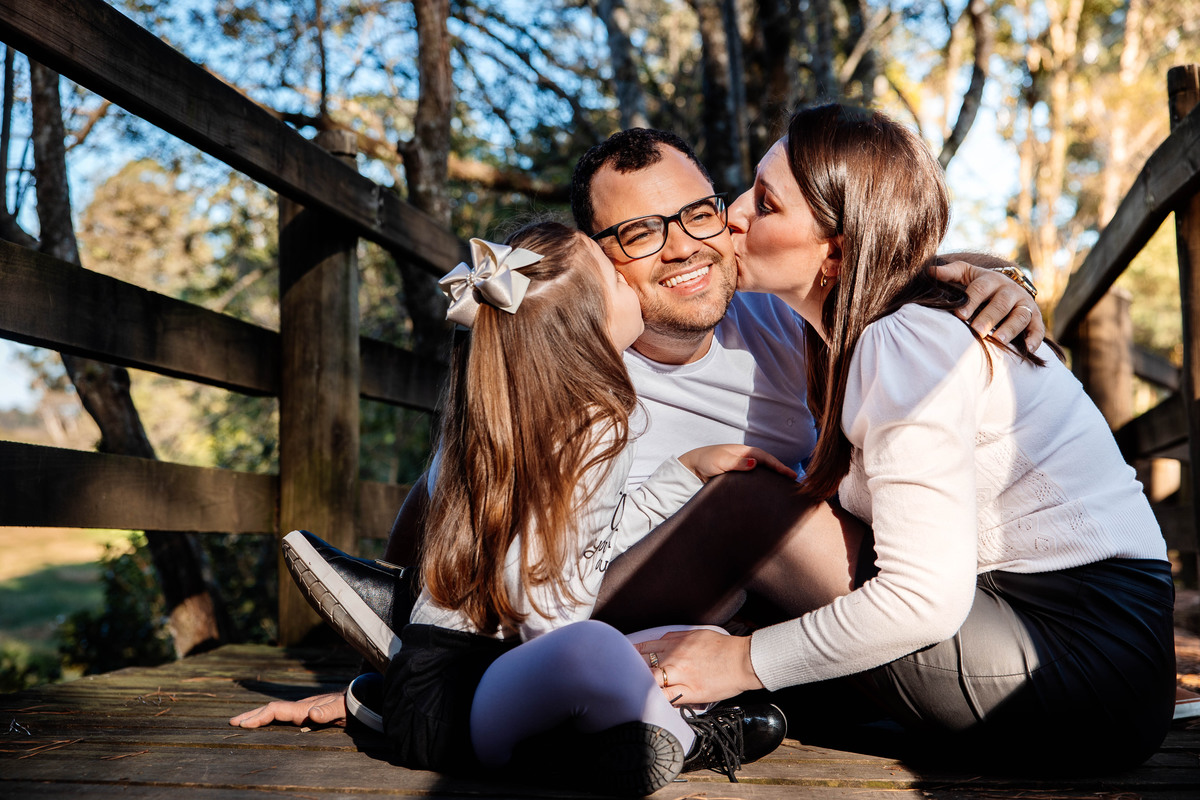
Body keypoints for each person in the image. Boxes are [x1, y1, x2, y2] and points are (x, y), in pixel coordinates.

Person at [230, 127, 1046, 729]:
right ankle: (449, 665)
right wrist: (410, 666)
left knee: (746, 507)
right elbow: (466, 510)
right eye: (638, 233)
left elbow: (868, 261)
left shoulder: (781, 309)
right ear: (592, 258)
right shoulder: (575, 377)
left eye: (695, 214)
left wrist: (991, 274)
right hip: (680, 632)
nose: (681, 248)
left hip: (858, 602)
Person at [631, 104, 1176, 771]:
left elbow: (923, 601)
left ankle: (535, 658)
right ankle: (621, 694)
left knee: (750, 506)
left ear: (836, 249)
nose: (734, 212)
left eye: (766, 204)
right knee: (763, 566)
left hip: (1073, 660)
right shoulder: (855, 331)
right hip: (1056, 650)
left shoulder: (906, 339)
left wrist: (741, 662)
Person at [260, 223, 795, 795]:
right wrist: (612, 657)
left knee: (683, 634)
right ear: (586, 324)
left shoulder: (504, 424)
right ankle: (687, 742)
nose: (629, 282)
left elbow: (595, 540)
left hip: (455, 689)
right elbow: (540, 609)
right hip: (469, 699)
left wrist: (683, 472)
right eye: (614, 277)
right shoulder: (591, 425)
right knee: (594, 647)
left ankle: (580, 736)